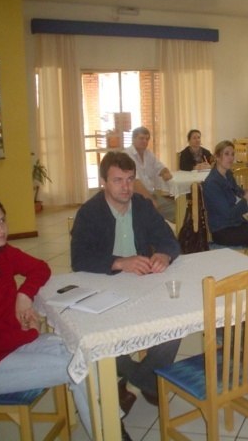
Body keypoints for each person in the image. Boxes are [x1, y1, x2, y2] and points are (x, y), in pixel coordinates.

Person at [0, 194, 95, 439]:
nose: (1, 229)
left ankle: (109, 426)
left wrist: (23, 295)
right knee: (78, 367)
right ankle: (109, 432)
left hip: (9, 345)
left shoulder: (0, 252)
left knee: (82, 350)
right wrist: (30, 333)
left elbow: (40, 268)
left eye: (2, 220)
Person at [71, 151, 181, 419]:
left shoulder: (142, 206)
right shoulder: (89, 213)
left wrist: (164, 255)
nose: (126, 187)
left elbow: (169, 240)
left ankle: (134, 382)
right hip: (103, 287)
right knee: (102, 341)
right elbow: (79, 259)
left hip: (141, 284)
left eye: (130, 179)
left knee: (175, 323)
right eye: (118, 180)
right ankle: (148, 380)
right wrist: (119, 262)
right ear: (104, 183)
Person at [204, 140, 248, 248]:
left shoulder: (228, 174)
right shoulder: (212, 183)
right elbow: (228, 214)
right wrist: (245, 199)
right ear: (217, 157)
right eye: (226, 154)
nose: (231, 158)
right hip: (223, 231)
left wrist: (247, 191)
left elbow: (237, 191)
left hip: (235, 224)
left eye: (232, 154)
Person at [124, 126, 175, 221]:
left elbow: (160, 167)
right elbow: (135, 183)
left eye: (147, 139)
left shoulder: (148, 154)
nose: (145, 141)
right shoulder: (126, 155)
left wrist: (165, 172)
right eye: (141, 138)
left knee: (178, 210)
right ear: (133, 139)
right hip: (135, 198)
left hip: (151, 194)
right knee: (169, 212)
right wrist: (151, 200)